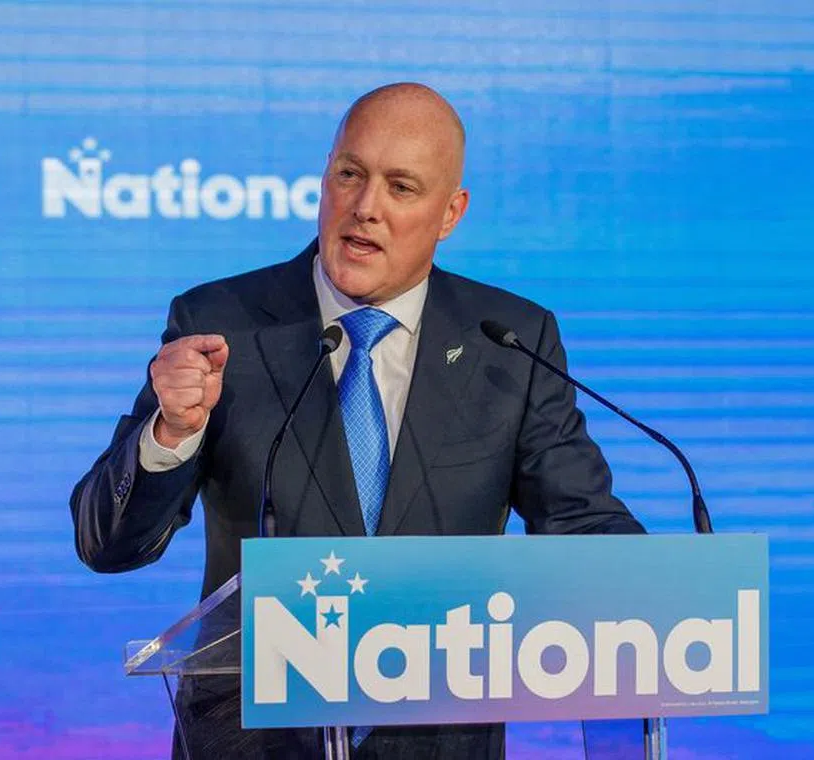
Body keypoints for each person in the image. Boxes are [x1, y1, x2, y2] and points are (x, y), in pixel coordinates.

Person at [70, 82, 644, 759]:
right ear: (325, 177)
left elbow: (582, 525)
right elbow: (108, 545)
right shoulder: (222, 324)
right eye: (350, 174)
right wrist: (170, 434)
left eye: (401, 187)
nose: (365, 207)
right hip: (255, 743)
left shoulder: (509, 341)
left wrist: (684, 593)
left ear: (450, 212)